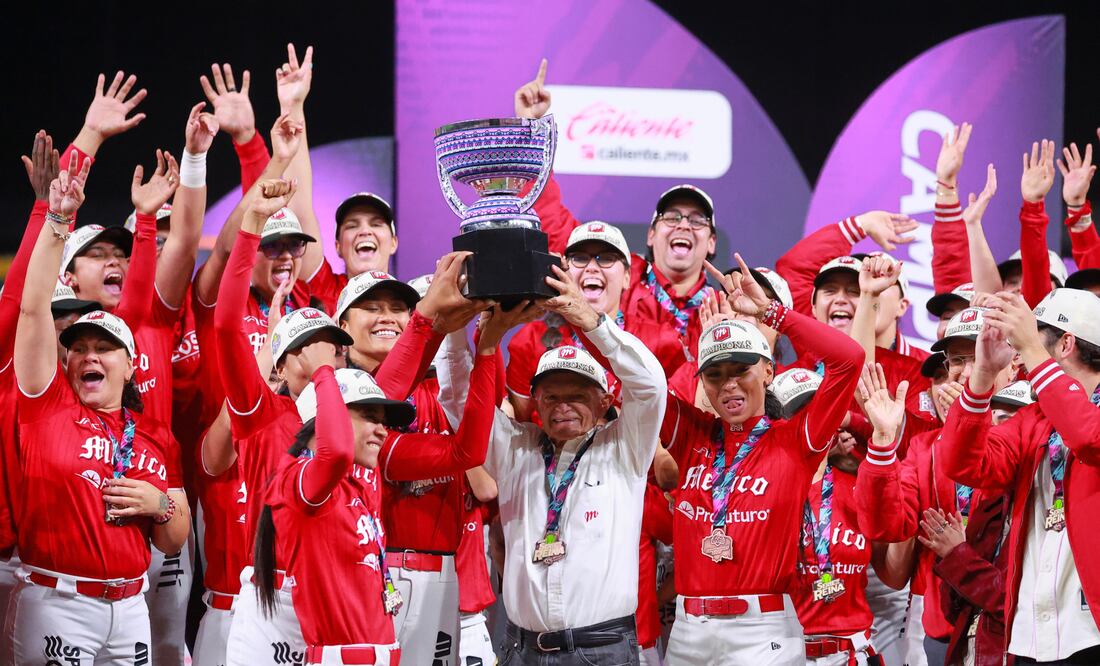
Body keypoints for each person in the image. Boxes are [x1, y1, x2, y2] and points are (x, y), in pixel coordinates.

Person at [5, 155, 189, 664]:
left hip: (131, 609)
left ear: (130, 365)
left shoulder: (153, 432)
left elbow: (174, 537)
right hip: (57, 605)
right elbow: (32, 307)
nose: (89, 356)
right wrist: (56, 219)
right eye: (79, 348)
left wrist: (160, 506)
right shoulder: (46, 405)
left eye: (104, 348)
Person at [255, 294, 504, 665]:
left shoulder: (369, 470)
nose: (381, 429)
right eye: (369, 417)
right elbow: (334, 452)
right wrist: (324, 372)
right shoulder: (300, 478)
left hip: (380, 648)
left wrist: (485, 350)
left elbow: (467, 452)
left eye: (381, 419)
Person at [437, 262, 666, 664]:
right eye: (551, 396)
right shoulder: (516, 449)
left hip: (603, 651)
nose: (563, 406)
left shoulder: (625, 447)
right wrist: (458, 327)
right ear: (536, 402)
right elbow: (458, 400)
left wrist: (592, 322)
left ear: (604, 401)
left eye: (577, 396)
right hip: (522, 649)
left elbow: (650, 386)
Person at [657, 255, 863, 665]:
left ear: (769, 371)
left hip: (762, 631)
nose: (729, 384)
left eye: (741, 370)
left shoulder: (796, 439)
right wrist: (589, 321)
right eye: (715, 374)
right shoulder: (692, 435)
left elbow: (849, 358)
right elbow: (638, 381)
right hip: (687, 633)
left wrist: (771, 313)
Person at [938, 288, 1100, 664]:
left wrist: (1032, 351)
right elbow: (964, 465)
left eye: (1032, 335)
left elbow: (1088, 438)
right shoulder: (1035, 420)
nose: (1020, 348)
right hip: (1031, 633)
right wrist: (982, 377)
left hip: (1091, 628)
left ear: (1065, 344)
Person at [773, 368, 876, 666]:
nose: (814, 421)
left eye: (821, 411)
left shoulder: (860, 486)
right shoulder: (761, 489)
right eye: (799, 413)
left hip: (851, 652)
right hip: (780, 652)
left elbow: (894, 575)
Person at [927, 382, 1031, 666]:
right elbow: (953, 610)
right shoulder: (989, 507)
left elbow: (1017, 603)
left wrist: (958, 556)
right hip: (968, 652)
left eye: (1013, 421)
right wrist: (951, 557)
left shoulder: (1050, 509)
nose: (1001, 430)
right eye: (998, 418)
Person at [507, 221, 631, 421]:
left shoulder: (658, 341)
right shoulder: (528, 341)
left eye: (607, 258)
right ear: (564, 270)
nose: (592, 267)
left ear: (627, 277)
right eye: (580, 258)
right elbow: (518, 423)